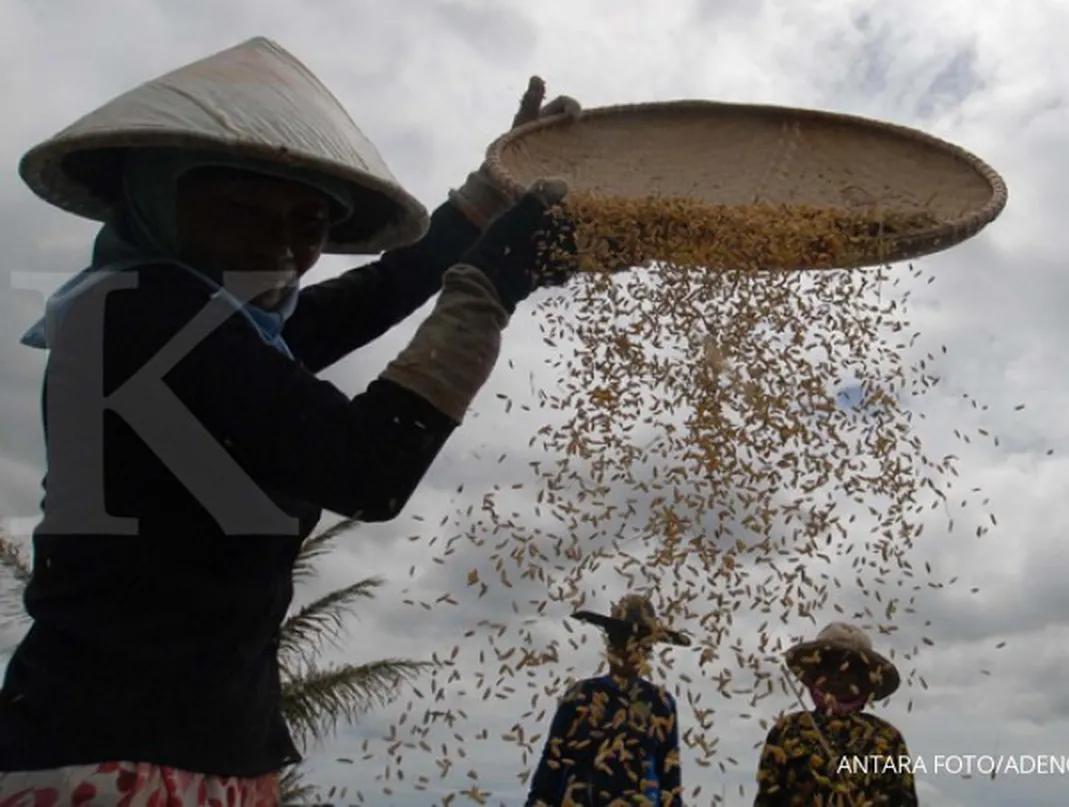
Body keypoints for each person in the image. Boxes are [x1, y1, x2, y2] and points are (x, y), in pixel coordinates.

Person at [0, 36, 583, 806]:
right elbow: (368, 467)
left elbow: (382, 289)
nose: (281, 241)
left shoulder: (211, 324)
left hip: (206, 753)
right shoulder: (142, 318)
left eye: (308, 221)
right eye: (240, 204)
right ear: (155, 193)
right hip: (116, 765)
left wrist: (491, 193)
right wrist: (489, 287)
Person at [525, 594, 691, 807]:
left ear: (647, 651)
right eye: (620, 640)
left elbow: (670, 784)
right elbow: (549, 774)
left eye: (640, 644)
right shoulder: (580, 697)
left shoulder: (661, 704)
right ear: (609, 645)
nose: (628, 651)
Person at [753, 622, 919, 805]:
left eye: (849, 668)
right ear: (817, 672)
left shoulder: (887, 737)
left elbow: (904, 799)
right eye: (830, 665)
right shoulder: (788, 730)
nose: (838, 675)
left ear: (863, 679)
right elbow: (768, 798)